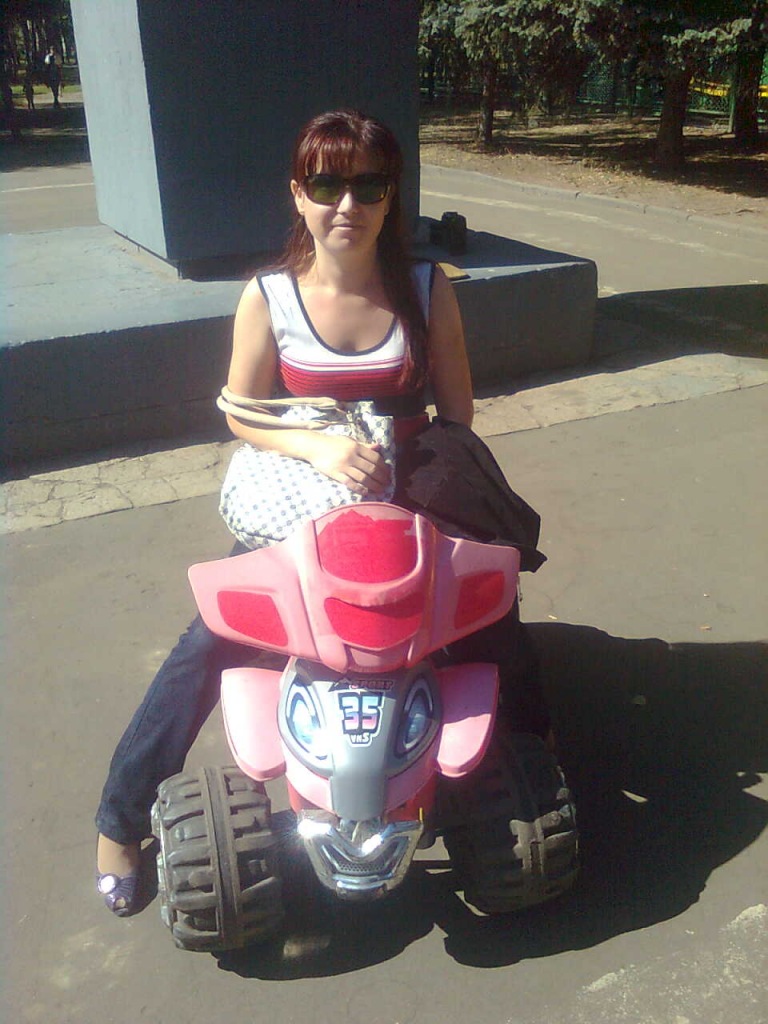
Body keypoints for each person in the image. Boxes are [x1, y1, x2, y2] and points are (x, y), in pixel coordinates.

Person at [95, 109, 551, 916]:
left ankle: (533, 768)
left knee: (489, 614)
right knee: (211, 640)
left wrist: (425, 486)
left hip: (411, 491)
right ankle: (120, 821)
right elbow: (240, 411)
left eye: (368, 185)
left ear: (390, 196)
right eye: (327, 183)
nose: (348, 204)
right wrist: (317, 448)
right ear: (299, 194)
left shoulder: (426, 288)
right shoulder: (269, 297)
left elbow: (457, 414)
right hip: (302, 500)